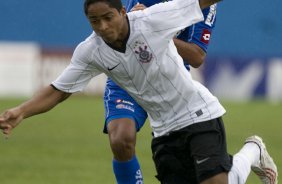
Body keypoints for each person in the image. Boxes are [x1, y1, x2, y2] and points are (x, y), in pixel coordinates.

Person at [0, 0, 278, 183]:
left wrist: (164, 34)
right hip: (164, 129)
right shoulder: (90, 51)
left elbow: (201, 17)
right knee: (121, 139)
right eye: (94, 21)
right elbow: (58, 89)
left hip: (197, 113)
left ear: (122, 12)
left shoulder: (154, 19)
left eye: (108, 18)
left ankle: (253, 150)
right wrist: (21, 112)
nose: (103, 27)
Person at [103, 0, 217, 183]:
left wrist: (155, 30)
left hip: (170, 82)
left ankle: (251, 153)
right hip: (131, 73)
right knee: (121, 139)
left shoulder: (204, 5)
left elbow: (197, 56)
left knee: (201, 172)